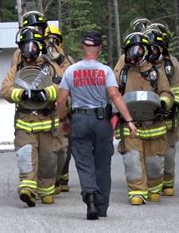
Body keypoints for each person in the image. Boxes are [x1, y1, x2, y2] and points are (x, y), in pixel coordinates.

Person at [57, 31, 137, 220]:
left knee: (84, 164)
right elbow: (115, 96)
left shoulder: (71, 70)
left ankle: (90, 197)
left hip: (79, 119)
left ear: (82, 46)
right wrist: (130, 121)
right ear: (99, 48)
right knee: (102, 164)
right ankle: (101, 207)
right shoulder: (105, 71)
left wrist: (63, 121)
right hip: (101, 121)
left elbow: (61, 101)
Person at [0, 26, 63, 207]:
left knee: (48, 160)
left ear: (40, 47)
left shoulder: (50, 67)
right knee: (26, 157)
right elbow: (5, 90)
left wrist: (47, 93)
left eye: (33, 46)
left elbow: (63, 87)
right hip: (25, 122)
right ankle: (27, 189)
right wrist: (22, 94)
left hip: (47, 123)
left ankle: (46, 191)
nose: (29, 51)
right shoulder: (16, 69)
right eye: (25, 46)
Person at [113, 31, 174, 205]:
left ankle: (154, 188)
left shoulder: (156, 73)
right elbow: (113, 94)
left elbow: (167, 93)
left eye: (138, 49)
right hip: (130, 125)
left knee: (154, 162)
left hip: (154, 124)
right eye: (131, 50)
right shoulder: (122, 74)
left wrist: (163, 103)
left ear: (145, 50)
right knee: (132, 160)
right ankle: (137, 191)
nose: (134, 53)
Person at [145, 24, 179, 196]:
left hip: (168, 118)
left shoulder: (171, 64)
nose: (152, 51)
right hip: (147, 118)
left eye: (156, 48)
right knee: (149, 152)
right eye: (149, 48)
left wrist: (175, 104)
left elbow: (178, 88)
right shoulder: (141, 65)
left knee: (168, 152)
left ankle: (168, 182)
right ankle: (149, 181)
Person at [44, 25, 76, 194]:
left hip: (65, 109)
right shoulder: (41, 60)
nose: (52, 44)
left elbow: (72, 79)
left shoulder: (67, 60)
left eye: (55, 41)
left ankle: (62, 178)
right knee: (48, 147)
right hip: (45, 109)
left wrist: (61, 60)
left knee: (65, 147)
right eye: (49, 40)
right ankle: (49, 179)